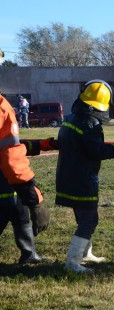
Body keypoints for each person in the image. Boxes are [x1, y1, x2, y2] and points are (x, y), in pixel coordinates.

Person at [55, 79, 114, 273]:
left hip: (67, 176)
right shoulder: (91, 123)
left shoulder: (71, 119)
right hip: (83, 179)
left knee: (85, 218)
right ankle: (73, 262)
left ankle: (85, 253)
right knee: (89, 220)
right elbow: (96, 151)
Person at [0, 94, 50, 265]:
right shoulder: (1, 106)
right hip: (4, 174)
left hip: (5, 175)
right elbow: (10, 155)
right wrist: (35, 199)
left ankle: (29, 254)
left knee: (18, 209)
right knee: (7, 205)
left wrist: (38, 145)